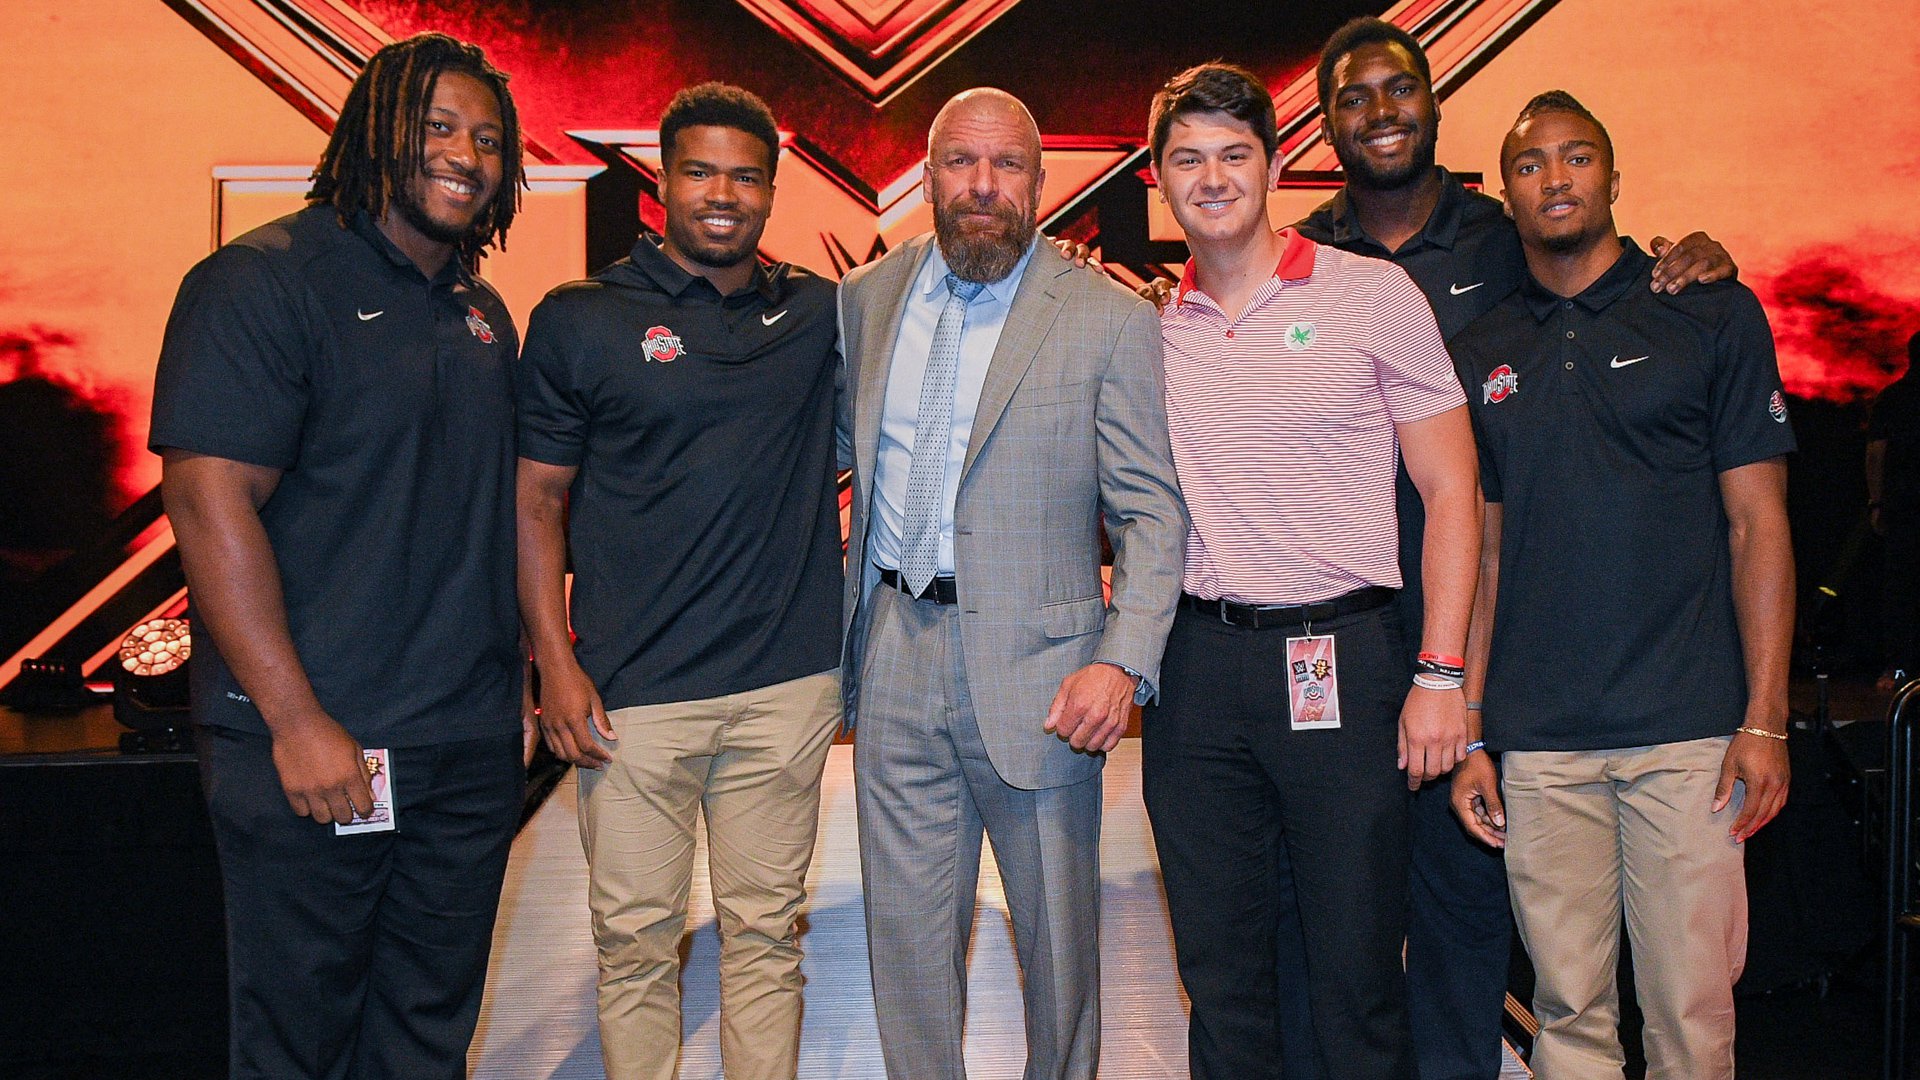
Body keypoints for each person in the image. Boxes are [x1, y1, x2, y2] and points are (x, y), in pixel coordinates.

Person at [1290, 20, 1738, 1078]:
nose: (1382, 112)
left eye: (1401, 89)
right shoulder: (1298, 257)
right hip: (1345, 632)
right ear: (1326, 123)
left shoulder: (1508, 236)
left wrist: (1695, 262)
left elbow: (1615, 279)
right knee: (1334, 917)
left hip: (1486, 635)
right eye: (1354, 98)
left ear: (1435, 103)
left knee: (1468, 916)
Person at [150, 33, 530, 1080]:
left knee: (425, 1036)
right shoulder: (260, 284)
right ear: (375, 134)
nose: (467, 154)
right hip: (320, 747)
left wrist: (516, 687)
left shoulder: (480, 310)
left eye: (489, 138)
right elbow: (207, 496)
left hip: (462, 746)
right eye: (440, 127)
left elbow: (484, 518)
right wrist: (297, 718)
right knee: (301, 1044)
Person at [836, 86, 1186, 1080]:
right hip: (897, 652)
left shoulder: (1108, 318)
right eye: (962, 163)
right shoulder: (865, 303)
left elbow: (1154, 512)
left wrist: (1123, 662)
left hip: (1046, 682)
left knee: (1061, 960)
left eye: (1008, 167)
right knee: (904, 955)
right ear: (927, 173)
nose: (984, 186)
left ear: (1039, 182)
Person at [1141, 62, 1482, 1080]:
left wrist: (1440, 674)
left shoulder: (1372, 294)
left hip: (1344, 656)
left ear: (1276, 166)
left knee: (1356, 972)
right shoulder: (1149, 327)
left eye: (1234, 154)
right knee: (1222, 975)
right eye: (1188, 158)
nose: (1212, 178)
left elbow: (1454, 493)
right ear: (1158, 178)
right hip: (1197, 671)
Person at [1449, 91, 1794, 1080]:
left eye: (1577, 157)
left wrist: (1764, 720)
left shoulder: (1709, 312)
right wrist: (1474, 730)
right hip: (1540, 745)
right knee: (1569, 1019)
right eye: (1530, 165)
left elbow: (1757, 525)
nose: (1555, 178)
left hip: (1689, 738)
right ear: (1505, 193)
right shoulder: (1487, 350)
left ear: (1613, 173)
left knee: (1691, 1020)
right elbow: (1486, 555)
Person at [514, 82, 844, 1080]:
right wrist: (555, 668)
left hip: (783, 688)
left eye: (746, 176)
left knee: (764, 940)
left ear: (774, 190)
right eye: (700, 170)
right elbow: (534, 507)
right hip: (630, 699)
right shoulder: (580, 317)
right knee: (636, 949)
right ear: (662, 181)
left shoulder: (819, 313)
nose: (723, 194)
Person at [1868, 331, 1920, 691]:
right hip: (1904, 508)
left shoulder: (1893, 397)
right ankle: (1900, 665)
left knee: (1901, 589)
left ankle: (1899, 666)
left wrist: (1876, 501)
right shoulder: (1895, 398)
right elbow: (1877, 452)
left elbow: (1875, 454)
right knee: (1901, 589)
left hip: (1901, 507)